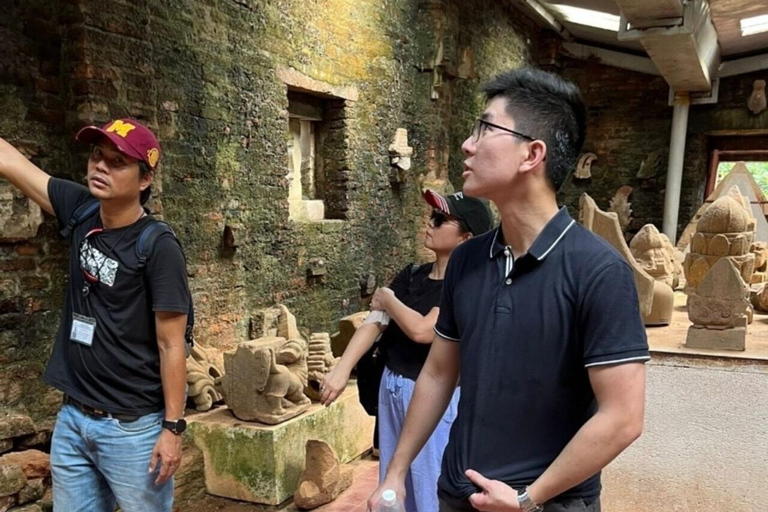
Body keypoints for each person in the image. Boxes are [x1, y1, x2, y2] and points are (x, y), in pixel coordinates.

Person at [370, 67, 649, 512]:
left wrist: (527, 498)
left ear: (531, 154)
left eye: (485, 128)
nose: (468, 143)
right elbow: (441, 372)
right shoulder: (467, 259)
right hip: (459, 494)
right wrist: (398, 471)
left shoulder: (598, 271)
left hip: (546, 504)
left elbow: (623, 418)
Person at [0, 118, 190, 512]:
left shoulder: (158, 246)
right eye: (97, 155)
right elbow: (9, 160)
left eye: (117, 162)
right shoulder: (82, 209)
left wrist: (172, 429)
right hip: (73, 418)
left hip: (132, 427)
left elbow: (171, 343)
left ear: (143, 179)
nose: (100, 167)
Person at [320, 189, 493, 512]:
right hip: (393, 385)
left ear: (465, 237)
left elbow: (423, 330)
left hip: (433, 395)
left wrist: (389, 299)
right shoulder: (413, 274)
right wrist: (342, 368)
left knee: (430, 484)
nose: (430, 223)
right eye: (431, 217)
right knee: (393, 480)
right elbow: (374, 323)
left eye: (440, 220)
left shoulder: (467, 284)